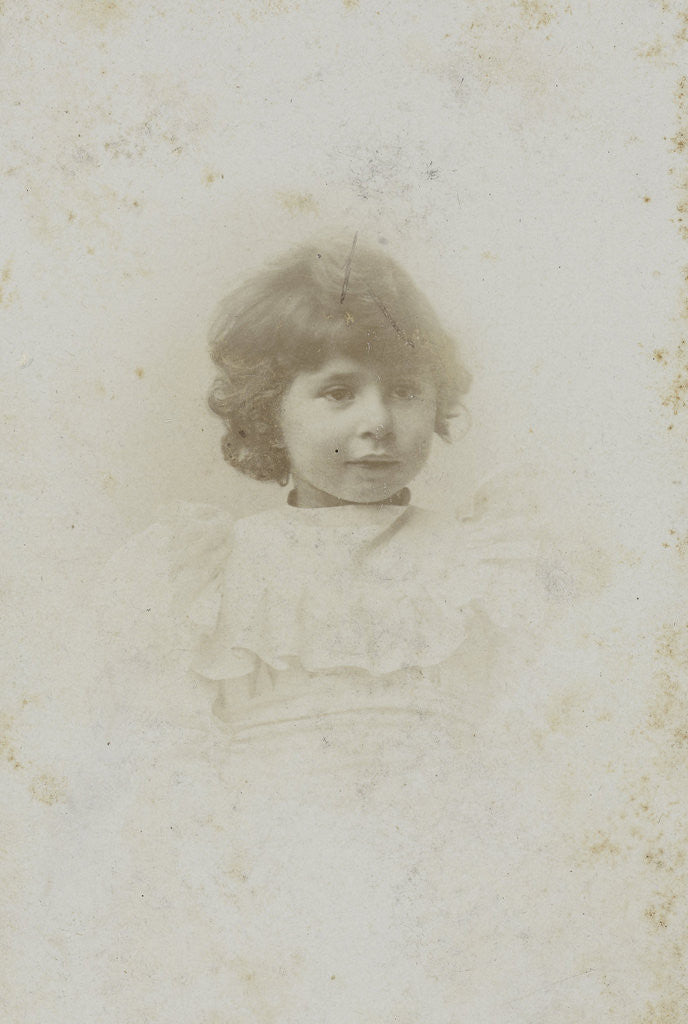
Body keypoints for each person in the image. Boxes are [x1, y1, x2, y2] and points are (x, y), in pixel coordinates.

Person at [92, 237, 608, 1022]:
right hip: (268, 882)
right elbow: (158, 757)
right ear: (271, 407)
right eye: (337, 393)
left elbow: (544, 733)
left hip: (457, 886)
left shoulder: (487, 562)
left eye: (404, 390)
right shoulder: (211, 570)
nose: (378, 422)